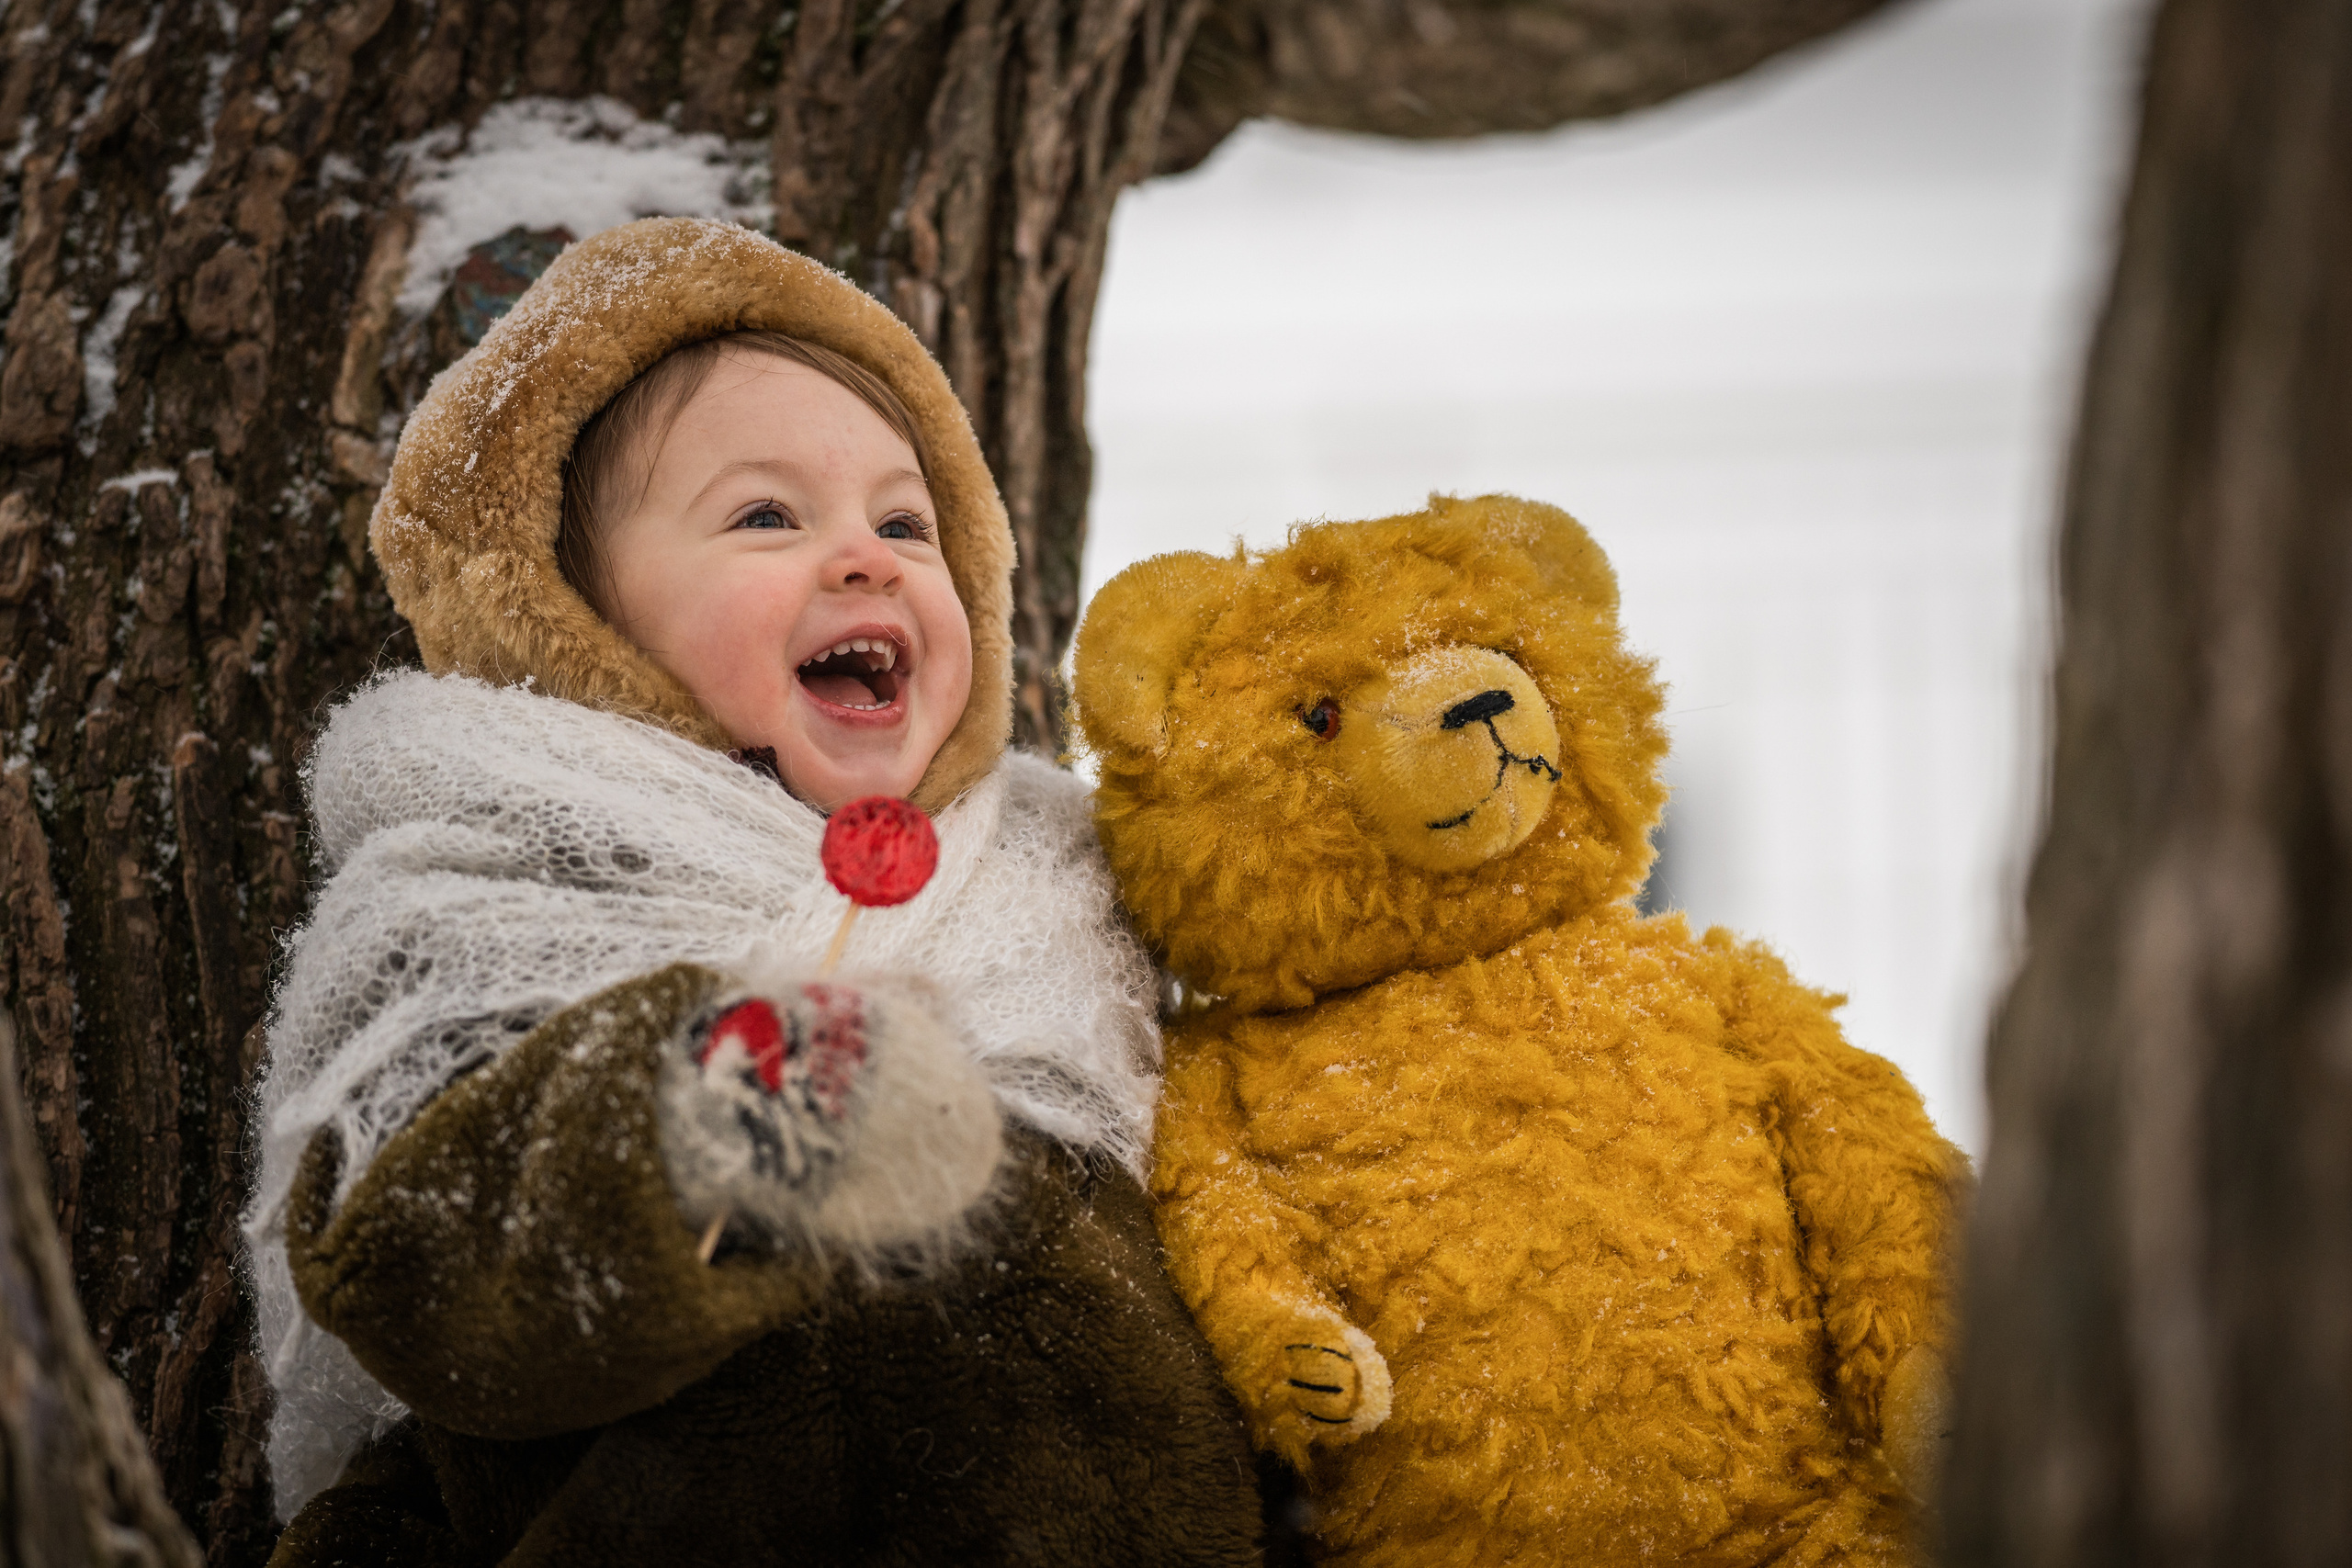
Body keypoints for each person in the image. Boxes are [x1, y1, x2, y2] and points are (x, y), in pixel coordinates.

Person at [243, 217, 1266, 1567]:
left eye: (908, 520)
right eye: (767, 516)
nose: (869, 558)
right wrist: (700, 1118)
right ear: (573, 620)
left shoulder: (1069, 891)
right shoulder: (484, 895)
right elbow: (428, 1274)